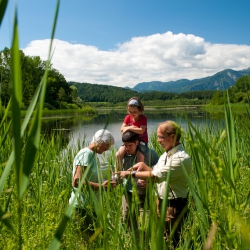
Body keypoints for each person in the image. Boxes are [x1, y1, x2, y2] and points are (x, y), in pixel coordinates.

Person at [118, 121, 192, 248]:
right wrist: (143, 166)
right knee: (162, 237)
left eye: (160, 137)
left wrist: (129, 173)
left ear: (172, 137)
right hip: (161, 202)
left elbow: (155, 176)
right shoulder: (165, 155)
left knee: (172, 241)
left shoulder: (181, 158)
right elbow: (154, 171)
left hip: (173, 205)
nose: (158, 140)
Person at [69, 129, 117, 234]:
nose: (108, 149)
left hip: (90, 207)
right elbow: (77, 181)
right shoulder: (87, 154)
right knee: (86, 241)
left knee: (94, 238)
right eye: (107, 145)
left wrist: (106, 183)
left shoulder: (93, 155)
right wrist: (101, 186)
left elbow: (91, 178)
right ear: (100, 142)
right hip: (82, 208)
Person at [119, 131, 159, 229]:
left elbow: (158, 172)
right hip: (128, 192)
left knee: (146, 221)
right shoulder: (124, 155)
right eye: (125, 145)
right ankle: (131, 241)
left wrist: (148, 181)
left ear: (137, 143)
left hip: (145, 193)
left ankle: (146, 242)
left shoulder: (150, 154)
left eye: (130, 145)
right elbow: (119, 171)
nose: (127, 148)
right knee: (127, 220)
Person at [116, 97, 148, 171]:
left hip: (142, 141)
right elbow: (122, 129)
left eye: (134, 111)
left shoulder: (143, 118)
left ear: (139, 110)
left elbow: (141, 130)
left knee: (140, 157)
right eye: (130, 112)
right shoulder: (128, 117)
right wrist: (133, 128)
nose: (132, 113)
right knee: (118, 155)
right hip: (130, 140)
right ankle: (118, 174)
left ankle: (140, 176)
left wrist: (129, 128)